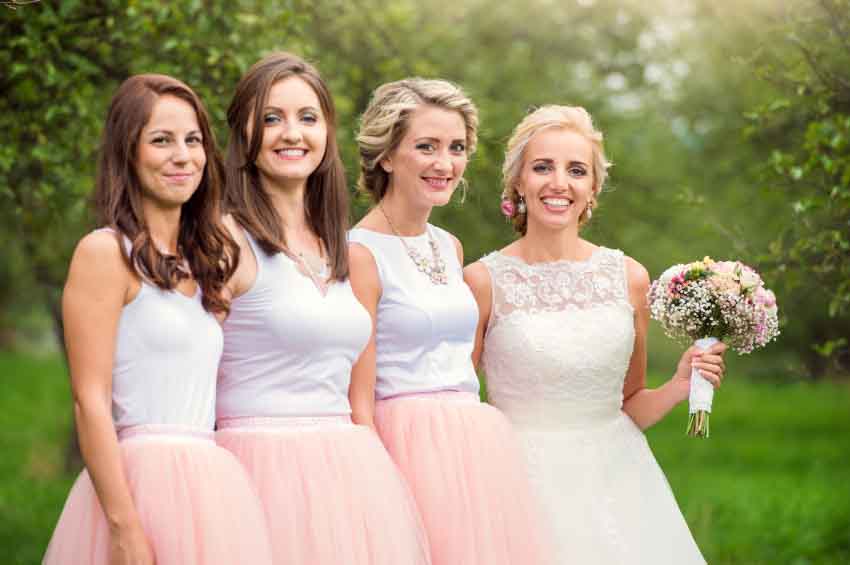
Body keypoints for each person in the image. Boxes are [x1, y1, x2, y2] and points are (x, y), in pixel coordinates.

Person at [464, 105, 727, 564]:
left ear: (593, 188)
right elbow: (460, 411)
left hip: (620, 486)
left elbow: (629, 406)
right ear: (518, 182)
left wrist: (679, 385)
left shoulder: (629, 278)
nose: (558, 183)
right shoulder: (481, 282)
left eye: (576, 170)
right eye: (542, 167)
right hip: (517, 486)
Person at [43, 74, 273, 565]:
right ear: (129, 153)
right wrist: (124, 527)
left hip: (210, 484)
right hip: (137, 483)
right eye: (161, 140)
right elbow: (89, 401)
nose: (182, 156)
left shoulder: (207, 262)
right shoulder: (105, 253)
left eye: (193, 140)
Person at [214, 52, 430, 565]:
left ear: (327, 133)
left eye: (307, 118)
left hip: (346, 475)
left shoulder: (341, 250)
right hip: (254, 472)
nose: (292, 133)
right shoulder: (224, 241)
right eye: (272, 118)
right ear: (244, 134)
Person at [348, 78, 551, 565]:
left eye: (456, 148)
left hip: (471, 443)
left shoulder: (449, 244)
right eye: (427, 147)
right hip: (404, 444)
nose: (445, 164)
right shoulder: (359, 253)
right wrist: (375, 483)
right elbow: (357, 392)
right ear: (388, 156)